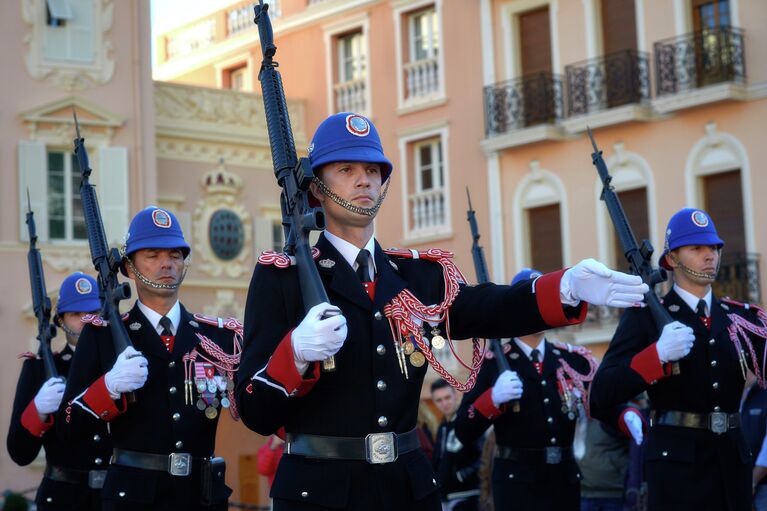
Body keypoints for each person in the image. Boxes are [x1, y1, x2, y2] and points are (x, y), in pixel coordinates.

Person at [235, 112, 649, 511]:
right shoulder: (281, 279)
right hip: (319, 490)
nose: (364, 179)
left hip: (406, 488)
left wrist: (566, 286)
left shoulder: (419, 276)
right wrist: (295, 354)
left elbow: (488, 307)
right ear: (316, 188)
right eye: (345, 169)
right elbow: (254, 411)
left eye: (374, 170)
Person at [59, 207, 242, 511]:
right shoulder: (102, 336)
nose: (166, 264)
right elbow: (68, 428)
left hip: (199, 497)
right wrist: (109, 388)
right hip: (133, 498)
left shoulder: (217, 338)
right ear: (130, 268)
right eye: (153, 255)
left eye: (174, 255)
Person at [590, 208, 767, 510]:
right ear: (671, 259)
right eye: (697, 248)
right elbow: (601, 394)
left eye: (714, 248)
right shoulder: (645, 317)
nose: (710, 255)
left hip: (733, 469)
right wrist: (655, 356)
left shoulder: (740, 318)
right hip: (677, 474)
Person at [453, 268, 643, 511]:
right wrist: (492, 399)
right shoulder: (492, 364)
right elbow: (463, 430)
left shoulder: (570, 359)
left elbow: (599, 401)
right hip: (516, 487)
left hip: (563, 482)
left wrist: (624, 415)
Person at [7, 272, 109, 510]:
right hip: (62, 499)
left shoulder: (119, 367)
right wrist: (38, 411)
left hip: (113, 498)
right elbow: (20, 452)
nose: (86, 321)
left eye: (92, 313)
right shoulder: (39, 369)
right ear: (61, 321)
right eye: (76, 315)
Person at [431, 379, 482, 511]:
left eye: (447, 397)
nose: (444, 403)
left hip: (468, 496)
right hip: (446, 497)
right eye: (439, 400)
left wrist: (461, 476)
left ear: (456, 395)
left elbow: (485, 457)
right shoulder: (442, 427)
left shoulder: (468, 422)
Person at [741, 373, 767, 509]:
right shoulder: (734, 395)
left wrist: (752, 481)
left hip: (762, 487)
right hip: (739, 485)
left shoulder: (764, 393)